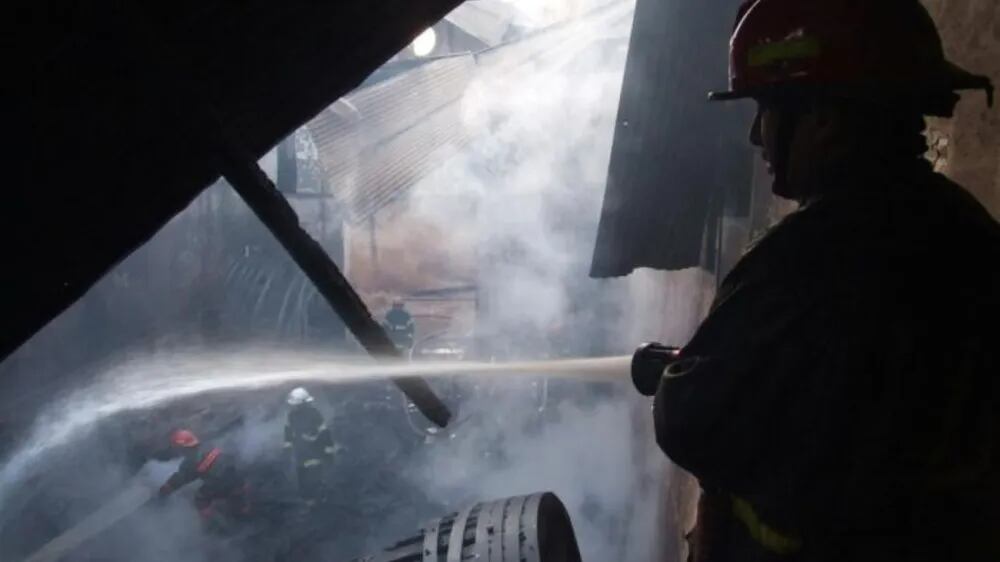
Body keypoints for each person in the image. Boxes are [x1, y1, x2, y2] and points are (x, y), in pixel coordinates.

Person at [652, 1, 1000, 561]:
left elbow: (692, 420)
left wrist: (681, 375)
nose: (756, 138)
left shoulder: (808, 257)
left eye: (766, 109)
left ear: (824, 120)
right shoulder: (963, 227)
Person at [158, 429, 250, 532]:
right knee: (235, 493)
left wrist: (165, 489)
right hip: (237, 476)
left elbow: (181, 478)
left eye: (176, 447)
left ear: (181, 447)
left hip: (220, 481)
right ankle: (243, 511)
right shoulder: (208, 446)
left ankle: (212, 526)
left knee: (200, 498)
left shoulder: (191, 460)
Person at [284, 387, 335, 505]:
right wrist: (287, 450)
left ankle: (321, 503)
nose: (294, 407)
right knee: (303, 480)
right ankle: (309, 504)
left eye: (296, 404)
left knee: (315, 479)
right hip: (301, 455)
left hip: (315, 453)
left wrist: (328, 454)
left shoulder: (314, 414)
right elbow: (288, 433)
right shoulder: (291, 416)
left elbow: (325, 434)